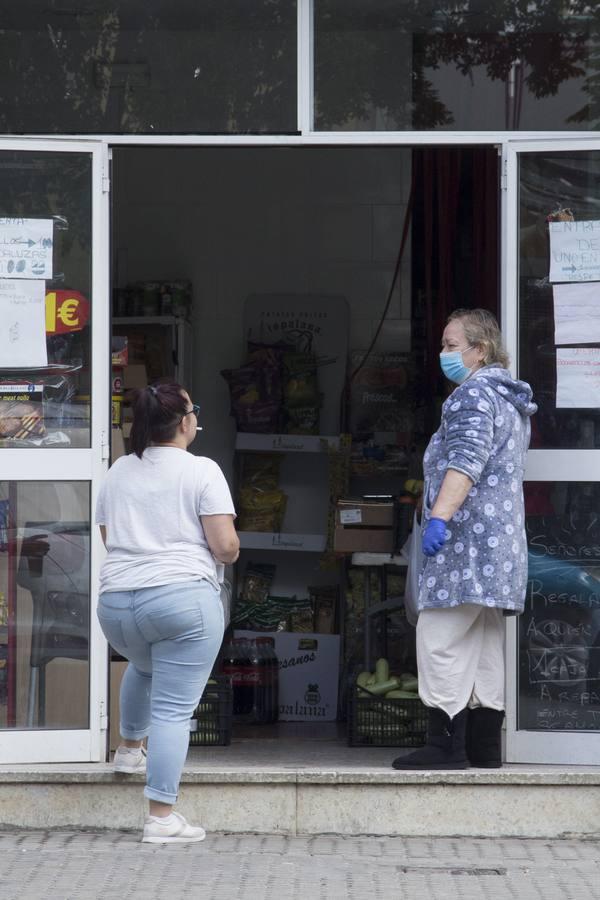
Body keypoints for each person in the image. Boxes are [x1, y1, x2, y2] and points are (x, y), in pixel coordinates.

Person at [393, 309, 536, 771]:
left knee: (438, 635)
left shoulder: (472, 396)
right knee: (484, 637)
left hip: (466, 544)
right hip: (501, 546)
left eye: (452, 345)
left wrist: (438, 518)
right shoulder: (509, 399)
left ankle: (443, 745)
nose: (443, 354)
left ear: (481, 350)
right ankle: (483, 746)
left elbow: (465, 463)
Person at [95, 382, 239, 842]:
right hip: (182, 603)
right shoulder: (202, 471)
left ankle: (128, 748)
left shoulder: (119, 469)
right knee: (174, 712)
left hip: (116, 605)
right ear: (185, 422)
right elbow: (224, 545)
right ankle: (160, 816)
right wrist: (229, 551)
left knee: (143, 664)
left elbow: (106, 535)